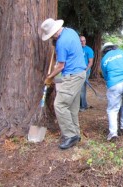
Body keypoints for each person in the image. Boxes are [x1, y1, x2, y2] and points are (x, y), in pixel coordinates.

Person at [41, 18, 86, 149]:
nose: (52, 38)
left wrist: (49, 77)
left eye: (51, 36)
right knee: (71, 107)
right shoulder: (70, 31)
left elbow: (61, 66)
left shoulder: (61, 43)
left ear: (54, 33)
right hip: (80, 74)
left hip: (72, 76)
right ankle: (76, 134)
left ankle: (70, 135)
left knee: (59, 104)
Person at [101, 42, 123, 141]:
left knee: (112, 109)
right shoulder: (121, 52)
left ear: (104, 51)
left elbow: (106, 76)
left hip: (114, 83)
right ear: (114, 47)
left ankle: (113, 134)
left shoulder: (103, 60)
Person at [79, 36, 94, 112]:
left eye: (84, 40)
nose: (82, 42)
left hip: (85, 72)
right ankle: (79, 105)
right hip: (77, 72)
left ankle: (83, 106)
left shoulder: (89, 50)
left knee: (82, 89)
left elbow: (90, 62)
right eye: (81, 41)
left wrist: (85, 71)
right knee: (77, 89)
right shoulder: (77, 49)